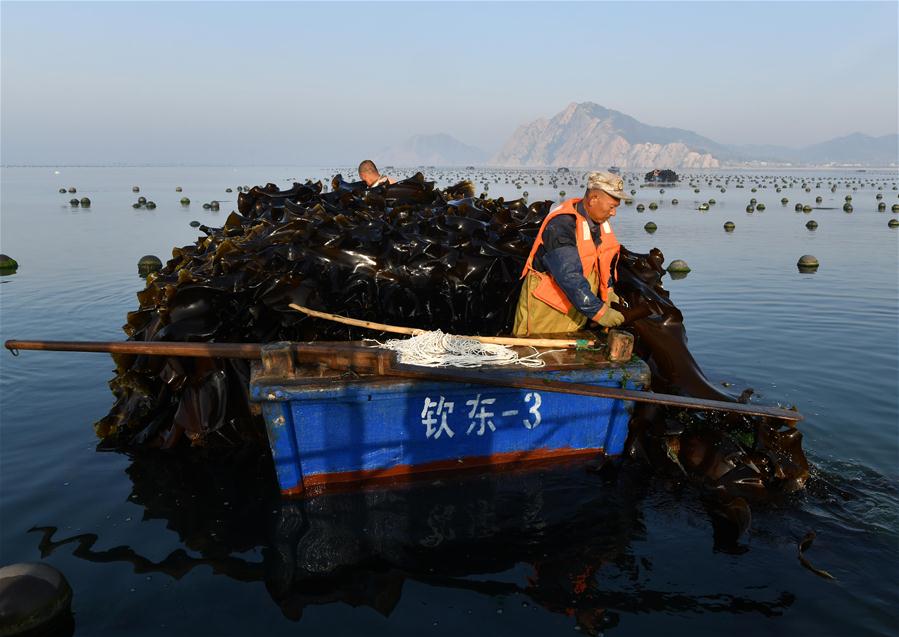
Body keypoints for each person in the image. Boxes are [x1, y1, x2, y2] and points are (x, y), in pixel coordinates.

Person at [512, 171, 631, 336]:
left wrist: (609, 292)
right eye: (611, 207)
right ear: (593, 198)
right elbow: (569, 275)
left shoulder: (599, 224)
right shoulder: (561, 226)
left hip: (576, 308)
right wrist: (599, 312)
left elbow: (601, 263)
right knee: (536, 356)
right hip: (545, 311)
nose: (613, 213)